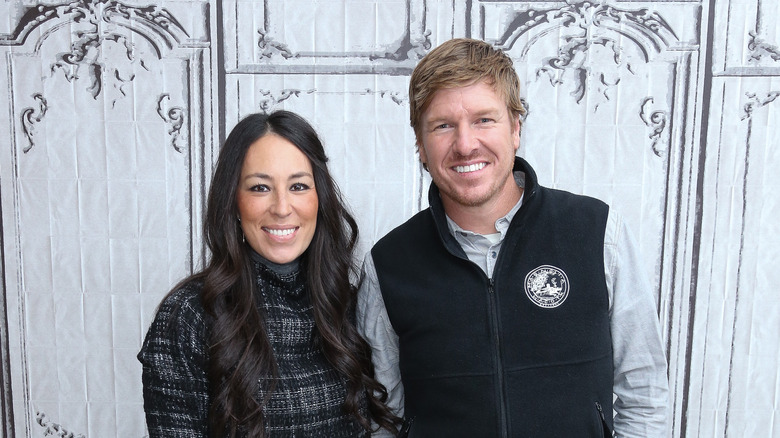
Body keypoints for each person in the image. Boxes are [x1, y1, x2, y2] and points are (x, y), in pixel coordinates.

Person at [357, 38, 670, 437]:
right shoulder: (388, 265)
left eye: (484, 120)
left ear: (516, 128)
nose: (466, 144)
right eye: (443, 125)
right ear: (419, 143)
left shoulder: (596, 232)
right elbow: (384, 417)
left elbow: (642, 391)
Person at [138, 111, 400, 437]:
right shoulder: (190, 313)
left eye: (299, 186)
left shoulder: (347, 302)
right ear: (233, 201)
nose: (281, 207)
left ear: (320, 199)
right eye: (260, 187)